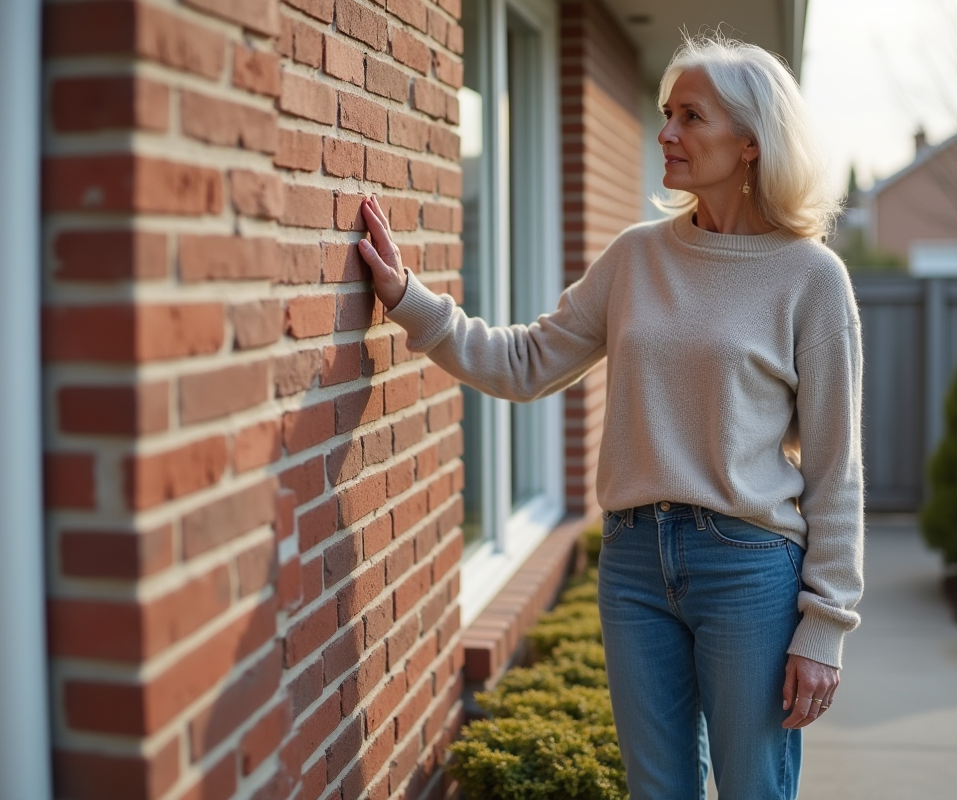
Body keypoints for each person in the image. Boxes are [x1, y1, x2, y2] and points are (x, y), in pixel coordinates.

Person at [358, 33, 863, 800]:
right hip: (632, 563)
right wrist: (408, 301)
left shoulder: (812, 279)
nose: (666, 132)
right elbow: (526, 361)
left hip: (749, 567)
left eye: (690, 116)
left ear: (751, 142)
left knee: (754, 789)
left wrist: (825, 625)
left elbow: (835, 467)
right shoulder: (635, 257)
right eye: (666, 114)